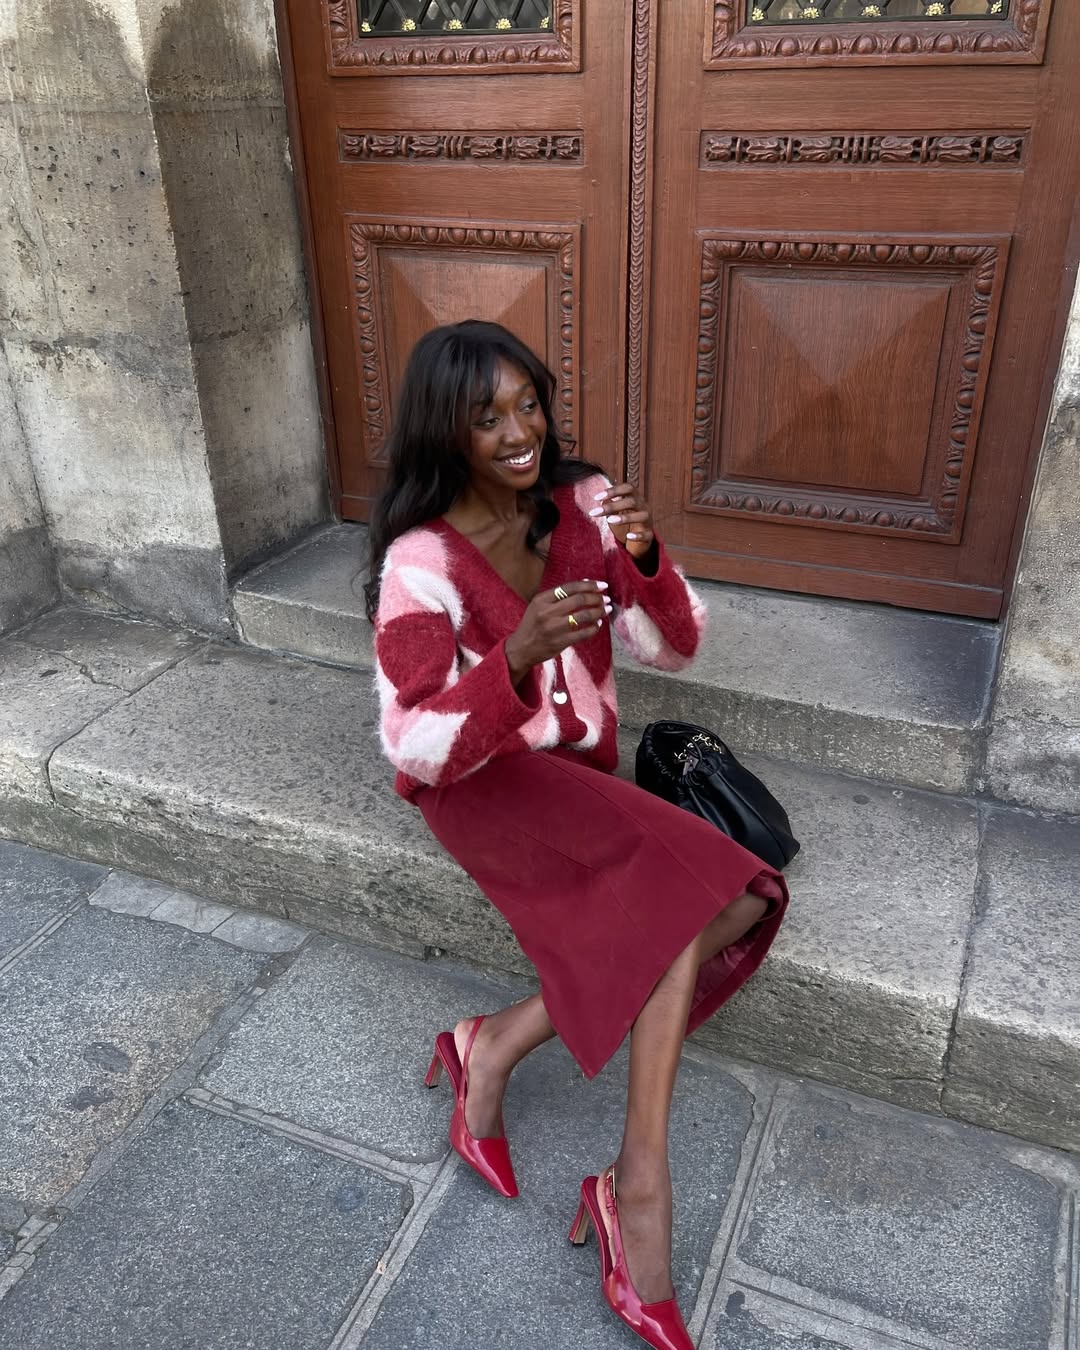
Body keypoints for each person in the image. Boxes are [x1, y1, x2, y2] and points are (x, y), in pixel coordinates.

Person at [367, 320, 788, 1350]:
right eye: (486, 418)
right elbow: (414, 742)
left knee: (740, 894)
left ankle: (494, 1043)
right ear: (445, 433)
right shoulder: (419, 562)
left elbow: (673, 645)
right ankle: (637, 1192)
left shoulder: (585, 503)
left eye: (528, 403)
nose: (519, 432)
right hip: (483, 782)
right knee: (695, 897)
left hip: (578, 778)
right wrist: (511, 658)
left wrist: (643, 557)